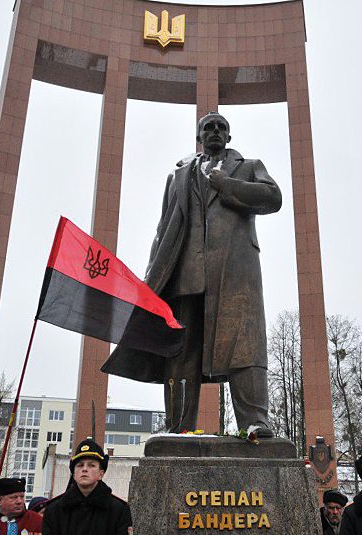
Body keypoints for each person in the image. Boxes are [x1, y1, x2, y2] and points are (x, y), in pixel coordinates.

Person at [102, 112, 282, 436]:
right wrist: (151, 276)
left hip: (235, 272)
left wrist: (228, 186)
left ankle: (255, 422)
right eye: (208, 127)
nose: (215, 131)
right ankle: (178, 427)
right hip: (184, 273)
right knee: (181, 351)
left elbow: (273, 198)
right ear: (199, 136)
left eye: (221, 127)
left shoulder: (249, 166)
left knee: (244, 344)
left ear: (229, 136)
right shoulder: (178, 176)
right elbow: (162, 229)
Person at [42, 438, 132, 534]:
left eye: (91, 465)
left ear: (101, 474)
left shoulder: (118, 510)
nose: (84, 469)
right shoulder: (54, 510)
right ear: (74, 474)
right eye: (80, 465)